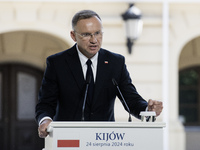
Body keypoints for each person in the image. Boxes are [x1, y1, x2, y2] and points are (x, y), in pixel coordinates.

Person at [35, 10, 163, 138]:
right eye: (86, 34)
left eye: (98, 33)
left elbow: (130, 99)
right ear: (73, 36)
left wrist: (147, 110)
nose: (94, 40)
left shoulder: (115, 62)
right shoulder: (57, 63)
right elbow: (46, 103)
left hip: (105, 139)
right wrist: (45, 120)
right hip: (69, 138)